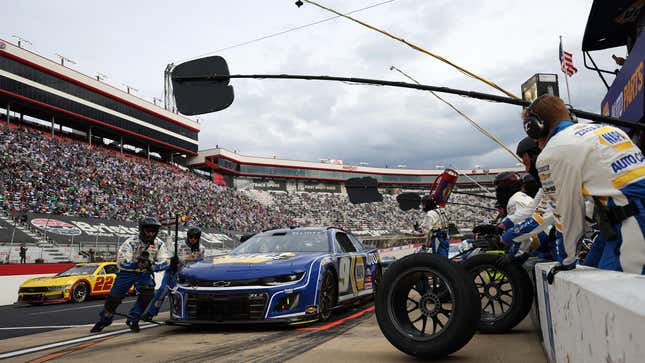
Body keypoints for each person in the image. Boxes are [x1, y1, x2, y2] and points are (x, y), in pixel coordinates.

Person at [522, 94, 645, 277]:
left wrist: (567, 259)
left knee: (613, 296)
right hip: (619, 219)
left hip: (633, 220)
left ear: (535, 127)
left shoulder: (552, 152)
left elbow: (566, 215)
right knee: (592, 269)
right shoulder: (608, 129)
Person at [91, 217, 171, 333]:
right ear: (142, 230)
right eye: (148, 231)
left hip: (145, 273)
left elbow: (166, 261)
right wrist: (135, 264)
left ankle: (134, 318)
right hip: (127, 273)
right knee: (114, 298)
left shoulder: (159, 244)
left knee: (148, 293)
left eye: (153, 231)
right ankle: (105, 319)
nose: (150, 233)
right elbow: (121, 262)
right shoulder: (130, 242)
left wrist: (153, 267)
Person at [141, 226, 204, 321]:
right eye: (191, 237)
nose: (193, 240)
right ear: (188, 237)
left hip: (188, 274)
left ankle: (180, 313)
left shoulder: (201, 249)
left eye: (195, 238)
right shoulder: (177, 245)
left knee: (179, 293)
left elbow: (201, 263)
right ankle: (150, 313)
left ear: (198, 238)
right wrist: (172, 260)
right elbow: (166, 257)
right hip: (172, 271)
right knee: (162, 290)